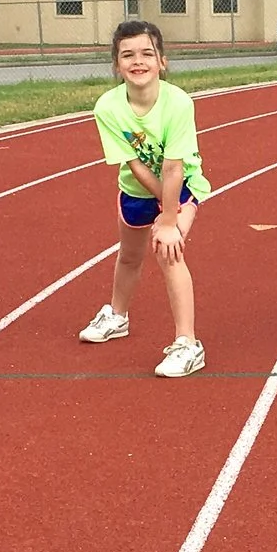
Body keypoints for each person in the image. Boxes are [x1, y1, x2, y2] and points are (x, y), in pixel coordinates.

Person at [79, 19, 210, 378]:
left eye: (147, 54)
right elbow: (134, 164)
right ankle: (117, 316)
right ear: (116, 65)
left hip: (181, 185)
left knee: (169, 250)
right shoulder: (107, 107)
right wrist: (159, 207)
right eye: (128, 55)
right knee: (129, 255)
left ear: (162, 62)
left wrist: (170, 217)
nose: (138, 61)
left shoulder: (178, 103)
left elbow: (173, 167)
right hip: (136, 189)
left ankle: (188, 343)